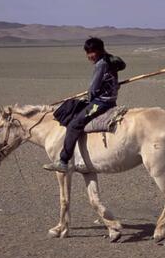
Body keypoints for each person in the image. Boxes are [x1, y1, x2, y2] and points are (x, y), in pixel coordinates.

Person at [43, 37, 125, 173]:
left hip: (102, 102)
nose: (89, 56)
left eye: (92, 52)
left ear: (99, 50)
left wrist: (89, 97)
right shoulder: (110, 60)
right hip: (110, 99)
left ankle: (63, 161)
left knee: (74, 124)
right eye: (88, 53)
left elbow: (93, 88)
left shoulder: (101, 64)